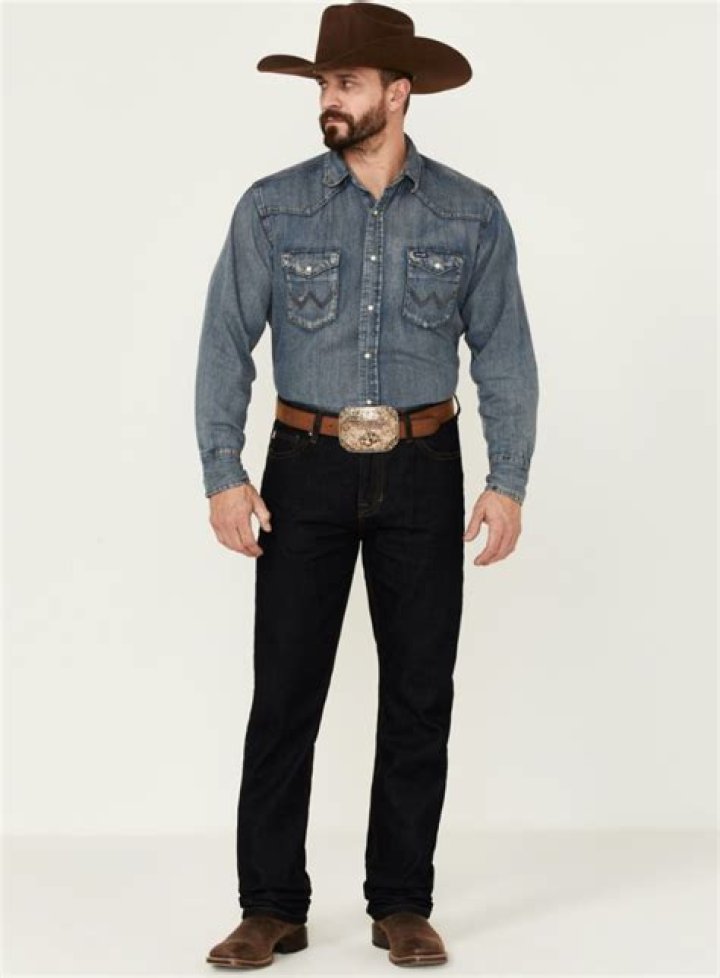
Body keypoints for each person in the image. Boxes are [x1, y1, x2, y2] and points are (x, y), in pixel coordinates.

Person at [197, 1, 539, 969]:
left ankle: (402, 904)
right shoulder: (272, 207)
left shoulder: (470, 212)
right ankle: (271, 906)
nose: (328, 100)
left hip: (425, 470)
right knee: (285, 691)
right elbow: (224, 343)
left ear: (399, 93)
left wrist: (507, 479)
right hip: (301, 469)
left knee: (420, 692)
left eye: (345, 83)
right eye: (321, 84)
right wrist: (223, 473)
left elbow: (505, 352)